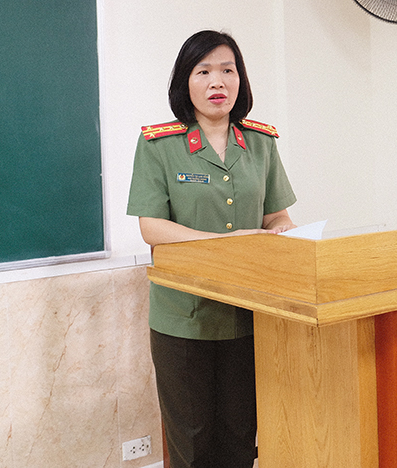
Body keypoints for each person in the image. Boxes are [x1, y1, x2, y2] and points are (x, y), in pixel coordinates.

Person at [126, 29, 297, 468]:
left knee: (240, 440)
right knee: (193, 444)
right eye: (203, 72)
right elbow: (151, 227)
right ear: (185, 81)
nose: (217, 82)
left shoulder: (261, 143)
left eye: (227, 70)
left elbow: (276, 215)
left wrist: (282, 232)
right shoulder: (159, 145)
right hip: (185, 317)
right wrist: (225, 244)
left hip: (248, 313)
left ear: (240, 79)